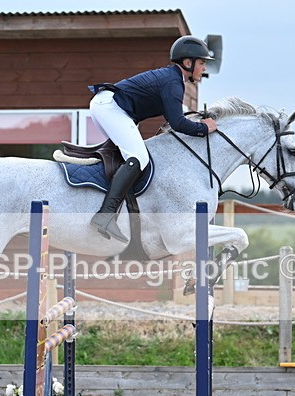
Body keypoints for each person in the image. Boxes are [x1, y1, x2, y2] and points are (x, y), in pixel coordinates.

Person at [87, 35, 218, 243]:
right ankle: (105, 215)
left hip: (108, 107)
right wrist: (204, 128)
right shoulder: (173, 83)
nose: (204, 68)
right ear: (187, 63)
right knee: (139, 157)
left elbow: (176, 117)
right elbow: (177, 124)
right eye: (202, 63)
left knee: (130, 158)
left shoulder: (172, 79)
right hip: (110, 108)